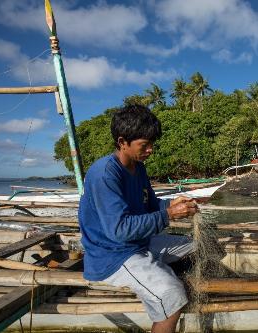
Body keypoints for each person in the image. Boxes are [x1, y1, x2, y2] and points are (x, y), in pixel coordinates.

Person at [79, 105, 198, 333]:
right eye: (144, 145)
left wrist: (172, 205)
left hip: (139, 243)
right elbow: (120, 230)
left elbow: (151, 206)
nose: (151, 150)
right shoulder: (104, 174)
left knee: (200, 244)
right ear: (122, 142)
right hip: (113, 255)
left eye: (152, 144)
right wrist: (169, 215)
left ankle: (167, 276)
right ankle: (167, 297)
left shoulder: (138, 167)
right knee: (172, 295)